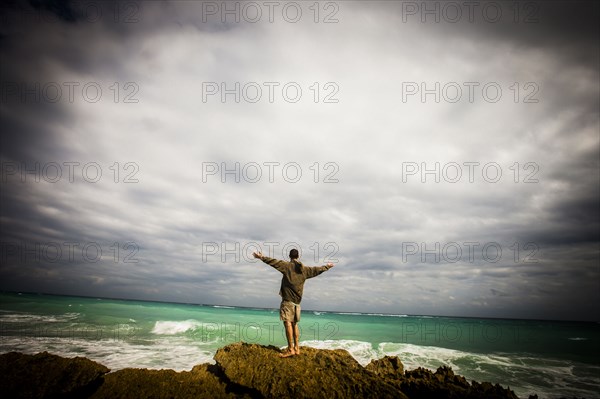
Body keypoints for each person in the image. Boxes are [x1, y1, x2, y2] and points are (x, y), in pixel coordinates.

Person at [253, 248, 334, 357]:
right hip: (297, 303)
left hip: (288, 301)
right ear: (298, 256)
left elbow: (272, 262)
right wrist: (327, 266)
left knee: (288, 324)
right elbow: (317, 270)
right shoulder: (305, 270)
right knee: (294, 324)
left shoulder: (287, 266)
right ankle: (297, 348)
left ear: (289, 256)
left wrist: (261, 257)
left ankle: (290, 349)